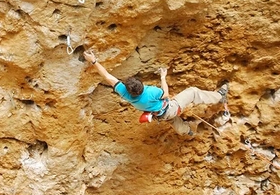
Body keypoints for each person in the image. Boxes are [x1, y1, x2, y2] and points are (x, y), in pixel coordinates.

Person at [83, 50, 229, 135]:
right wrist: (163, 77)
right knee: (193, 92)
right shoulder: (150, 91)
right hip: (170, 108)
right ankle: (219, 97)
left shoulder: (125, 93)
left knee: (173, 120)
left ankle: (187, 131)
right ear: (141, 84)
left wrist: (94, 61)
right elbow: (165, 93)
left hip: (160, 115)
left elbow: (107, 76)